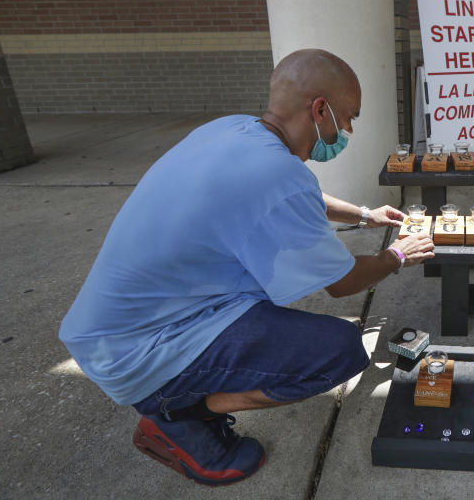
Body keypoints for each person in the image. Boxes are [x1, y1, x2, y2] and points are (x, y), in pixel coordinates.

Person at [58, 49, 435, 486]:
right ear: (319, 109)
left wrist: (366, 216)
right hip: (140, 351)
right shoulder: (275, 173)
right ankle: (176, 413)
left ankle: (179, 400)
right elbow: (343, 282)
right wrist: (399, 255)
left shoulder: (232, 130)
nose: (347, 131)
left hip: (117, 328)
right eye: (348, 117)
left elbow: (295, 195)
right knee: (340, 350)